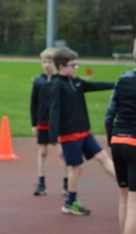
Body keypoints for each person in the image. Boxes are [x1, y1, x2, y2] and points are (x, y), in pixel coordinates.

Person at [48, 47, 115, 215]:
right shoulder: (57, 85)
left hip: (84, 132)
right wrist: (53, 135)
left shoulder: (77, 82)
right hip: (69, 135)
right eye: (73, 65)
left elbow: (95, 85)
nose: (76, 68)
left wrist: (118, 84)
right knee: (77, 168)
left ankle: (127, 186)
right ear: (62, 67)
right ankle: (70, 202)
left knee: (103, 157)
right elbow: (54, 110)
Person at [104, 38, 136, 234]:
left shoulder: (123, 79)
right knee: (134, 203)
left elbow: (109, 115)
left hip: (118, 141)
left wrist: (111, 139)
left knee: (124, 198)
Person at [31, 47, 69, 196]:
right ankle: (41, 183)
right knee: (42, 151)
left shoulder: (60, 80)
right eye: (44, 61)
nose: (47, 65)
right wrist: (34, 124)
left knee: (61, 153)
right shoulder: (38, 81)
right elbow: (33, 104)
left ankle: (66, 183)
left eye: (50, 62)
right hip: (42, 121)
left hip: (58, 123)